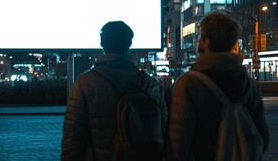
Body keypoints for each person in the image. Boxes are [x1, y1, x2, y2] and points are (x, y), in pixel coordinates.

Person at [166, 11, 269, 160]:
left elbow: (178, 144)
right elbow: (263, 140)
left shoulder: (188, 84)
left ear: (206, 42)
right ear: (233, 43)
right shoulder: (250, 86)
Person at [61, 21, 167, 161]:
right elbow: (164, 131)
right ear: (129, 43)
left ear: (102, 43)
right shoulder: (151, 85)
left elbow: (72, 137)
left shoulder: (84, 83)